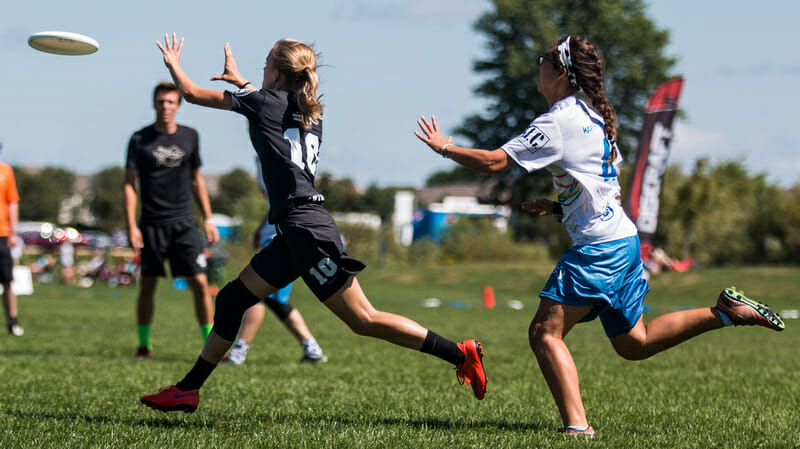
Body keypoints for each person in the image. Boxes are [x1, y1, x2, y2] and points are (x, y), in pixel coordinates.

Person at [415, 34, 785, 437]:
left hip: (599, 251)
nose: (537, 64)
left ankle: (578, 428)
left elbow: (494, 162)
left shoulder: (558, 121)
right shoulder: (594, 118)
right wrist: (558, 208)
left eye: (544, 59)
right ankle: (726, 313)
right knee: (634, 343)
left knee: (543, 332)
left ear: (561, 72)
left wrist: (444, 147)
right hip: (623, 242)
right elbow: (604, 188)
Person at [140, 34, 486, 413]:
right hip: (298, 230)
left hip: (307, 232)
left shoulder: (262, 102)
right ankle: (188, 390)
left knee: (363, 319)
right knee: (232, 299)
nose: (261, 68)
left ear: (275, 70)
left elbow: (190, 93)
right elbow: (274, 107)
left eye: (267, 61)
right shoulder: (311, 112)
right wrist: (243, 84)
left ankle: (460, 353)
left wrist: (173, 64)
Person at [124, 81, 220, 359]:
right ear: (154, 103)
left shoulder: (190, 136)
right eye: (160, 101)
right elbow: (129, 184)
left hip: (185, 223)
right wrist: (131, 225)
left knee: (200, 284)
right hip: (152, 224)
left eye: (170, 102)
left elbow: (196, 180)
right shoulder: (139, 139)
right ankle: (144, 345)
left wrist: (209, 218)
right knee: (148, 285)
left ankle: (210, 345)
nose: (165, 107)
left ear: (178, 105)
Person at [222, 156, 326, 365]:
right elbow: (276, 201)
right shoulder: (262, 154)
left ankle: (238, 352)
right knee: (275, 301)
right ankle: (312, 349)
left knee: (255, 294)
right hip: (277, 236)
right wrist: (261, 228)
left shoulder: (278, 150)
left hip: (285, 238)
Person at [0, 160, 22, 336]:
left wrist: (13, 232)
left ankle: (12, 321)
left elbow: (12, 201)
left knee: (7, 279)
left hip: (2, 233)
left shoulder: (6, 171)